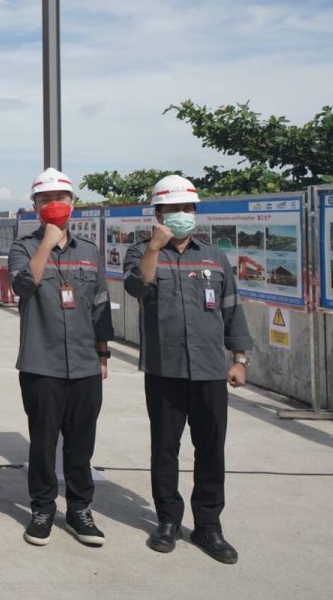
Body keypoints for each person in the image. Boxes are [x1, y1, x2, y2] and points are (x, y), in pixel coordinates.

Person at [123, 174, 253, 564]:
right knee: (165, 449)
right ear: (158, 213)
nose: (182, 215)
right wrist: (155, 247)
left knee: (211, 450)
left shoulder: (214, 257)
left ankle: (209, 526)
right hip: (165, 369)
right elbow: (137, 287)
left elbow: (232, 309)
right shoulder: (141, 252)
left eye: (188, 208)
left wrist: (240, 359)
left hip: (211, 369)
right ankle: (166, 521)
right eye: (174, 209)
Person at [8, 167, 114, 548]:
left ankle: (80, 510)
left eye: (61, 199)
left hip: (85, 363)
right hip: (41, 362)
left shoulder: (90, 252)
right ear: (35, 206)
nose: (54, 205)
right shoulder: (23, 247)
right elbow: (22, 285)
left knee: (81, 444)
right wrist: (45, 245)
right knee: (43, 441)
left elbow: (100, 305)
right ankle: (42, 509)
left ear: (73, 204)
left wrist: (103, 354)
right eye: (45, 200)